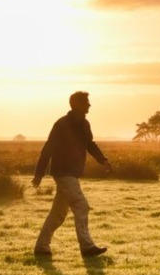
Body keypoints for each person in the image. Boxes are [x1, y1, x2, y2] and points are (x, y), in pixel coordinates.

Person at [32, 91, 112, 258]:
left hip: (72, 173)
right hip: (63, 173)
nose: (89, 105)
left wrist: (102, 160)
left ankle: (41, 247)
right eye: (87, 102)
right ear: (78, 104)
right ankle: (87, 247)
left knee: (58, 214)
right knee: (81, 206)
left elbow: (90, 144)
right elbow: (48, 148)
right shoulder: (61, 124)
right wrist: (39, 173)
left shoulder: (85, 124)